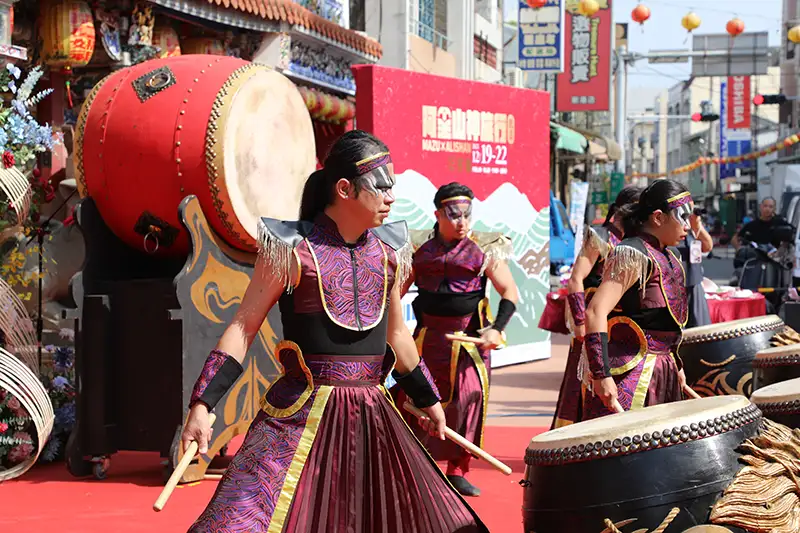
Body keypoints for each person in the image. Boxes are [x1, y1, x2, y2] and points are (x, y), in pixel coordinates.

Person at [182, 131, 486, 533]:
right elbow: (243, 326)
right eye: (381, 186)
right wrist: (202, 405)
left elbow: (398, 338)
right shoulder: (291, 250)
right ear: (344, 189)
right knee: (247, 520)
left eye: (392, 187)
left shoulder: (389, 253)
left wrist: (429, 399)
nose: (390, 197)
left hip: (372, 416)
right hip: (300, 411)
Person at [393, 182, 518, 498]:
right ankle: (417, 466)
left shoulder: (484, 248)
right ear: (438, 214)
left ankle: (458, 470)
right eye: (454, 215)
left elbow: (509, 292)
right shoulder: (418, 249)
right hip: (426, 340)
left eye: (467, 215)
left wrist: (496, 328)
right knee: (416, 401)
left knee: (468, 398)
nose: (462, 222)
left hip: (468, 344)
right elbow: (394, 293)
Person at [581, 179, 692, 420]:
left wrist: (676, 364)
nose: (688, 226)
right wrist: (602, 375)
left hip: (663, 369)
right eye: (682, 217)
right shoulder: (632, 253)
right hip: (632, 372)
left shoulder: (670, 256)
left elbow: (666, 322)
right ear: (658, 217)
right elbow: (595, 312)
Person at [550, 185, 641, 430]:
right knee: (580, 385)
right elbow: (576, 279)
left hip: (618, 328)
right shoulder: (601, 237)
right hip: (593, 324)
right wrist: (580, 321)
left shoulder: (636, 243)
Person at [676, 207, 714, 327]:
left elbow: (707, 246)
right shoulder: (671, 219)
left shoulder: (691, 223)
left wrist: (697, 226)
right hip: (675, 285)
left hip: (694, 281)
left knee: (699, 328)